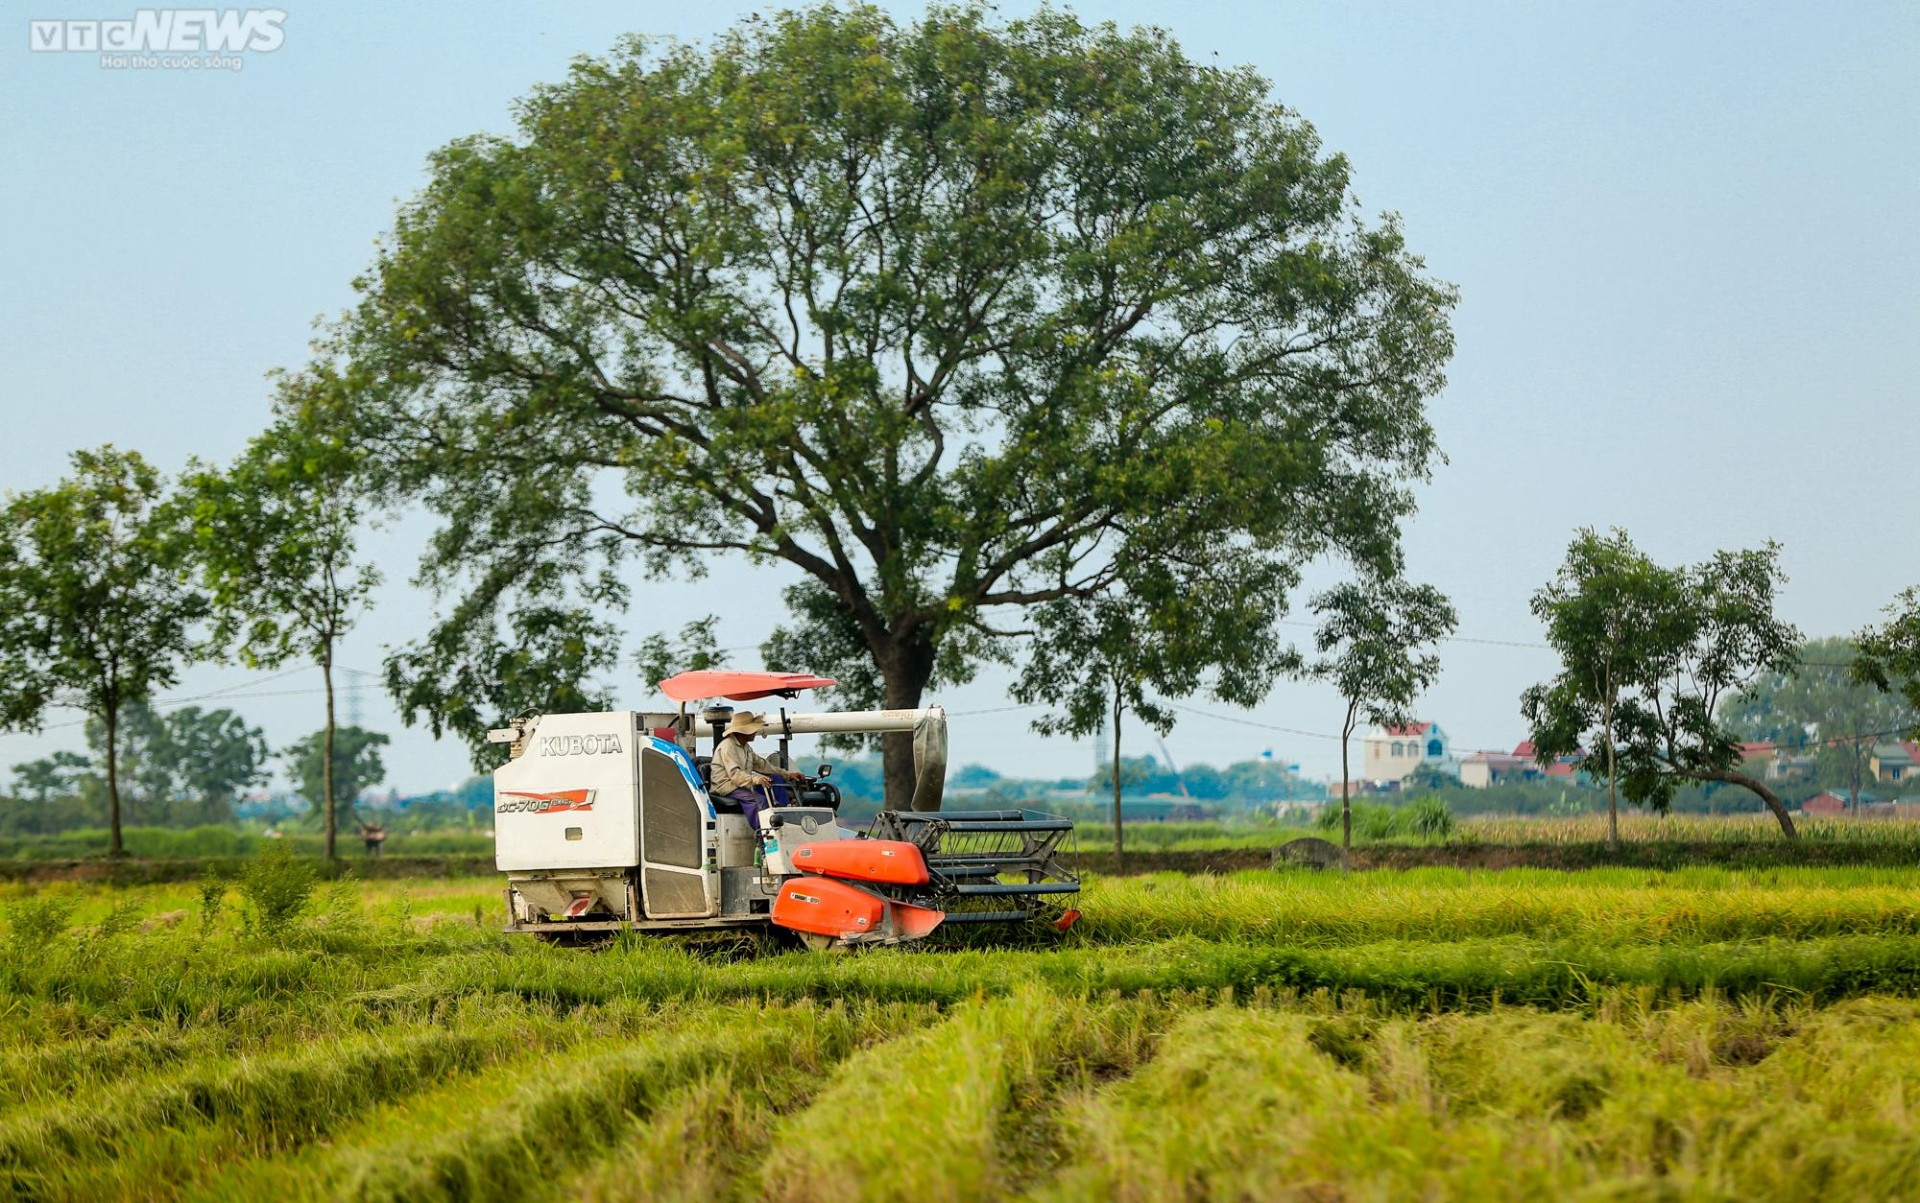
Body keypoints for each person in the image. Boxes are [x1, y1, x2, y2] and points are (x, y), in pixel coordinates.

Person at [709, 711, 804, 828]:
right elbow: (735, 776)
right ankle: (763, 836)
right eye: (752, 729)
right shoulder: (727, 746)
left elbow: (762, 765)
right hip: (727, 786)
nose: (755, 732)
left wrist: (788, 774)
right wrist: (756, 779)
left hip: (742, 784)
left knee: (775, 778)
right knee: (758, 800)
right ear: (743, 732)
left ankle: (784, 811)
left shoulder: (746, 747)